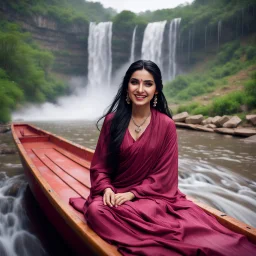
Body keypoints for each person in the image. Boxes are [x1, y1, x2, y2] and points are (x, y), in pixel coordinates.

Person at [70, 60, 256, 255]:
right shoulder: (112, 122)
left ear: (156, 90)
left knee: (161, 217)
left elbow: (164, 177)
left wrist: (132, 194)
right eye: (135, 82)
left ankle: (148, 241)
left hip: (151, 197)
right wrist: (106, 188)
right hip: (115, 195)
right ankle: (146, 241)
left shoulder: (166, 125)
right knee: (95, 211)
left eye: (148, 84)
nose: (140, 89)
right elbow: (100, 166)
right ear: (127, 86)